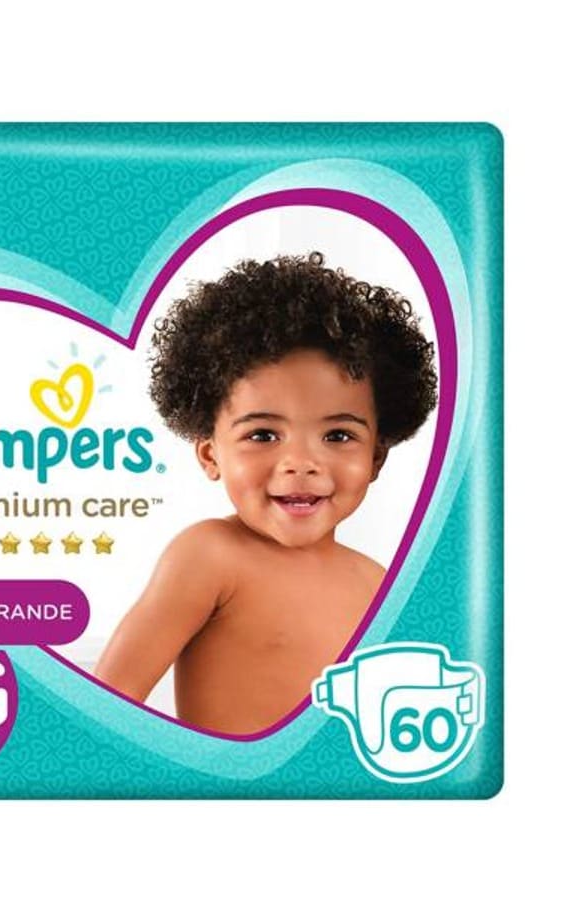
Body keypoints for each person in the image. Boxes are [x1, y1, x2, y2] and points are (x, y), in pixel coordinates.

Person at [95, 252, 438, 734]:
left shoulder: (377, 583)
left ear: (376, 458)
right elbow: (110, 697)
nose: (301, 462)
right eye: (263, 435)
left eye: (338, 435)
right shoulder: (210, 555)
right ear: (211, 455)